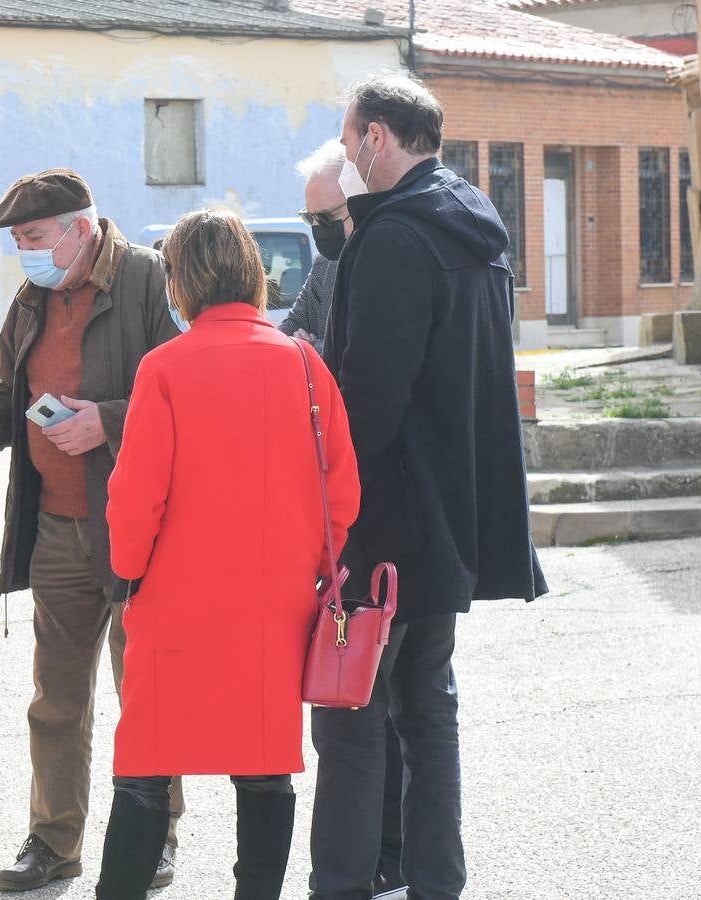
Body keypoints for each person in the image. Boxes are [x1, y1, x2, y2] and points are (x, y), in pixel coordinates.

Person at [308, 74, 547, 900]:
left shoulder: (396, 235)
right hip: (448, 520)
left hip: (384, 526)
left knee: (349, 719)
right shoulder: (473, 223)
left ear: (378, 137)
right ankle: (432, 879)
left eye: (347, 143)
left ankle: (341, 883)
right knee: (427, 709)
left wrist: (327, 507)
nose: (344, 159)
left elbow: (369, 396)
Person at [0, 168, 183, 892]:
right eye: (16, 242)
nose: (24, 253)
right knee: (56, 702)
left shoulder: (148, 280)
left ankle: (154, 835)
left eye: (33, 238)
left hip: (140, 530)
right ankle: (52, 844)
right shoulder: (34, 294)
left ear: (81, 227)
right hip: (57, 528)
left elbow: (192, 391)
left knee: (148, 696)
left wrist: (107, 419)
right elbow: (13, 393)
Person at [93, 208, 360, 900]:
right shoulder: (303, 364)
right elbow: (343, 490)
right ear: (250, 270)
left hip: (176, 604)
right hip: (276, 605)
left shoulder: (167, 367)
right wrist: (314, 569)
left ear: (180, 279)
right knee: (266, 765)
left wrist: (127, 572)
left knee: (147, 766)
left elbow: (136, 497)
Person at [284, 138, 406, 899]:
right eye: (312, 219)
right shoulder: (333, 264)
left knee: (359, 706)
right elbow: (293, 335)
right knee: (365, 703)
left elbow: (355, 378)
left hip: (374, 514)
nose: (320, 233)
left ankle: (355, 874)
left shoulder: (395, 264)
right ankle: (377, 862)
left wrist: (313, 363)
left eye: (328, 217)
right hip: (333, 506)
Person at [279, 139, 351, 355]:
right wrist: (304, 346)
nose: (318, 227)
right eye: (310, 217)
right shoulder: (324, 264)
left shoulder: (388, 262)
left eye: (326, 217)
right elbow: (287, 332)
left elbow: (364, 350)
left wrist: (311, 348)